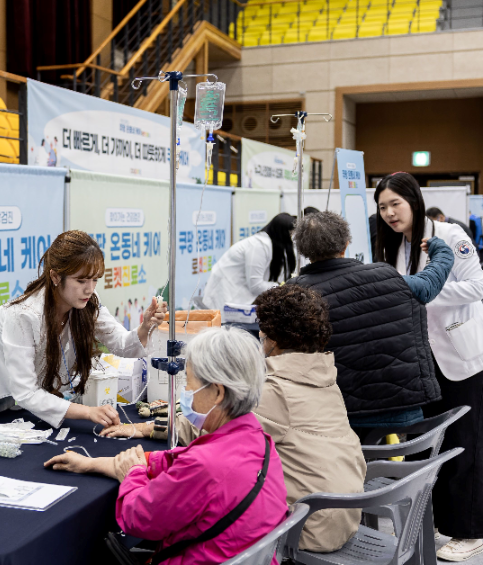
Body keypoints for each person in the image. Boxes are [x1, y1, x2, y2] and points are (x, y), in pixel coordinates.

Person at [101, 286, 367, 552]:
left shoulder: (276, 392)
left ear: (271, 340)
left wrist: (142, 429)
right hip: (343, 510)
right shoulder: (322, 377)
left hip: (306, 527)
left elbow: (210, 427)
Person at [44, 327, 288, 565]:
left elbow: (138, 518)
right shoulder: (258, 441)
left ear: (217, 392)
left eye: (190, 384)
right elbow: (176, 460)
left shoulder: (206, 465)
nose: (186, 392)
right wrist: (91, 464)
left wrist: (133, 473)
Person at [0, 230, 168, 429]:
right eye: (81, 280)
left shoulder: (87, 303)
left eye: (95, 279)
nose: (89, 288)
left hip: (4, 390)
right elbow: (26, 392)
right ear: (55, 276)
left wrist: (145, 327)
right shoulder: (23, 316)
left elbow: (122, 344)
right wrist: (88, 412)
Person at [375, 173, 483, 561]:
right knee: (429, 443)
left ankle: (470, 530)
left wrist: (424, 288)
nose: (389, 213)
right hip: (420, 358)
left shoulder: (450, 235)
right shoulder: (396, 245)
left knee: (464, 444)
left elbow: (477, 285)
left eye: (395, 204)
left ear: (414, 201)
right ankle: (440, 521)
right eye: (382, 206)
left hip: (459, 356)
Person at [288, 210, 452, 434]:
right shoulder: (387, 276)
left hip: (333, 418)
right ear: (346, 244)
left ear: (303, 251)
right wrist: (440, 250)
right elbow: (430, 282)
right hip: (400, 409)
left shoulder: (295, 294)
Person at [202, 213, 296, 310]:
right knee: (223, 321)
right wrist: (281, 287)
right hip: (224, 291)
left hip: (236, 292)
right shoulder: (258, 246)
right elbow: (255, 285)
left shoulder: (272, 246)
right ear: (283, 233)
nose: (293, 238)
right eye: (291, 233)